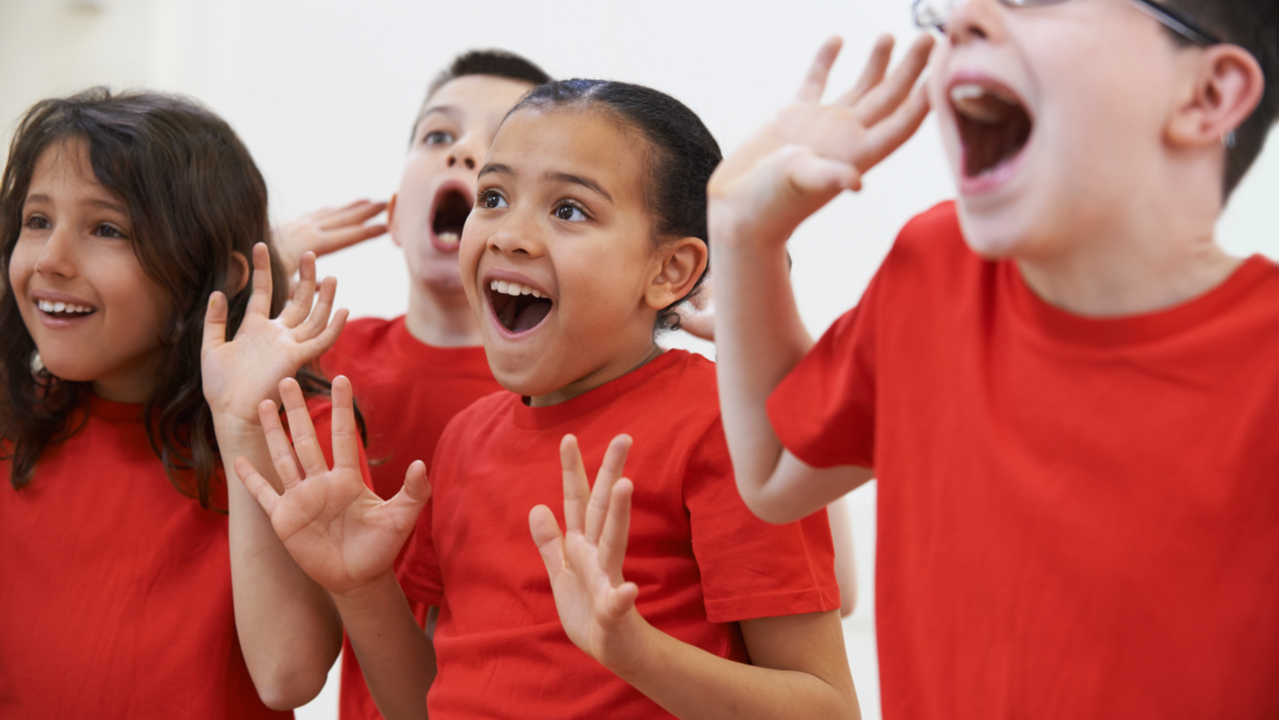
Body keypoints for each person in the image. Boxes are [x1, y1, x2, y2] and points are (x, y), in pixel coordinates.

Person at [710, 1, 1277, 717]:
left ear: (1207, 95)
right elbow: (772, 476)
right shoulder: (935, 267)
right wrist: (741, 234)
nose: (966, 18)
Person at [237, 79, 859, 719]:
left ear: (669, 270)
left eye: (569, 210)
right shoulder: (464, 440)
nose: (509, 235)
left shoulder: (722, 426)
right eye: (495, 197)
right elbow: (423, 708)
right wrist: (363, 587)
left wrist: (637, 652)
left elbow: (828, 707)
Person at [0, 89, 348, 716]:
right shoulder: (14, 421)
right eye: (37, 220)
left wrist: (241, 427)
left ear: (214, 276)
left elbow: (288, 676)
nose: (50, 260)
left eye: (106, 229)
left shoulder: (287, 432)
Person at [275, 49, 552, 720]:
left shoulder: (571, 384)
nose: (463, 154)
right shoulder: (315, 357)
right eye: (438, 136)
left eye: (500, 145)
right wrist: (253, 275)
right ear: (397, 216)